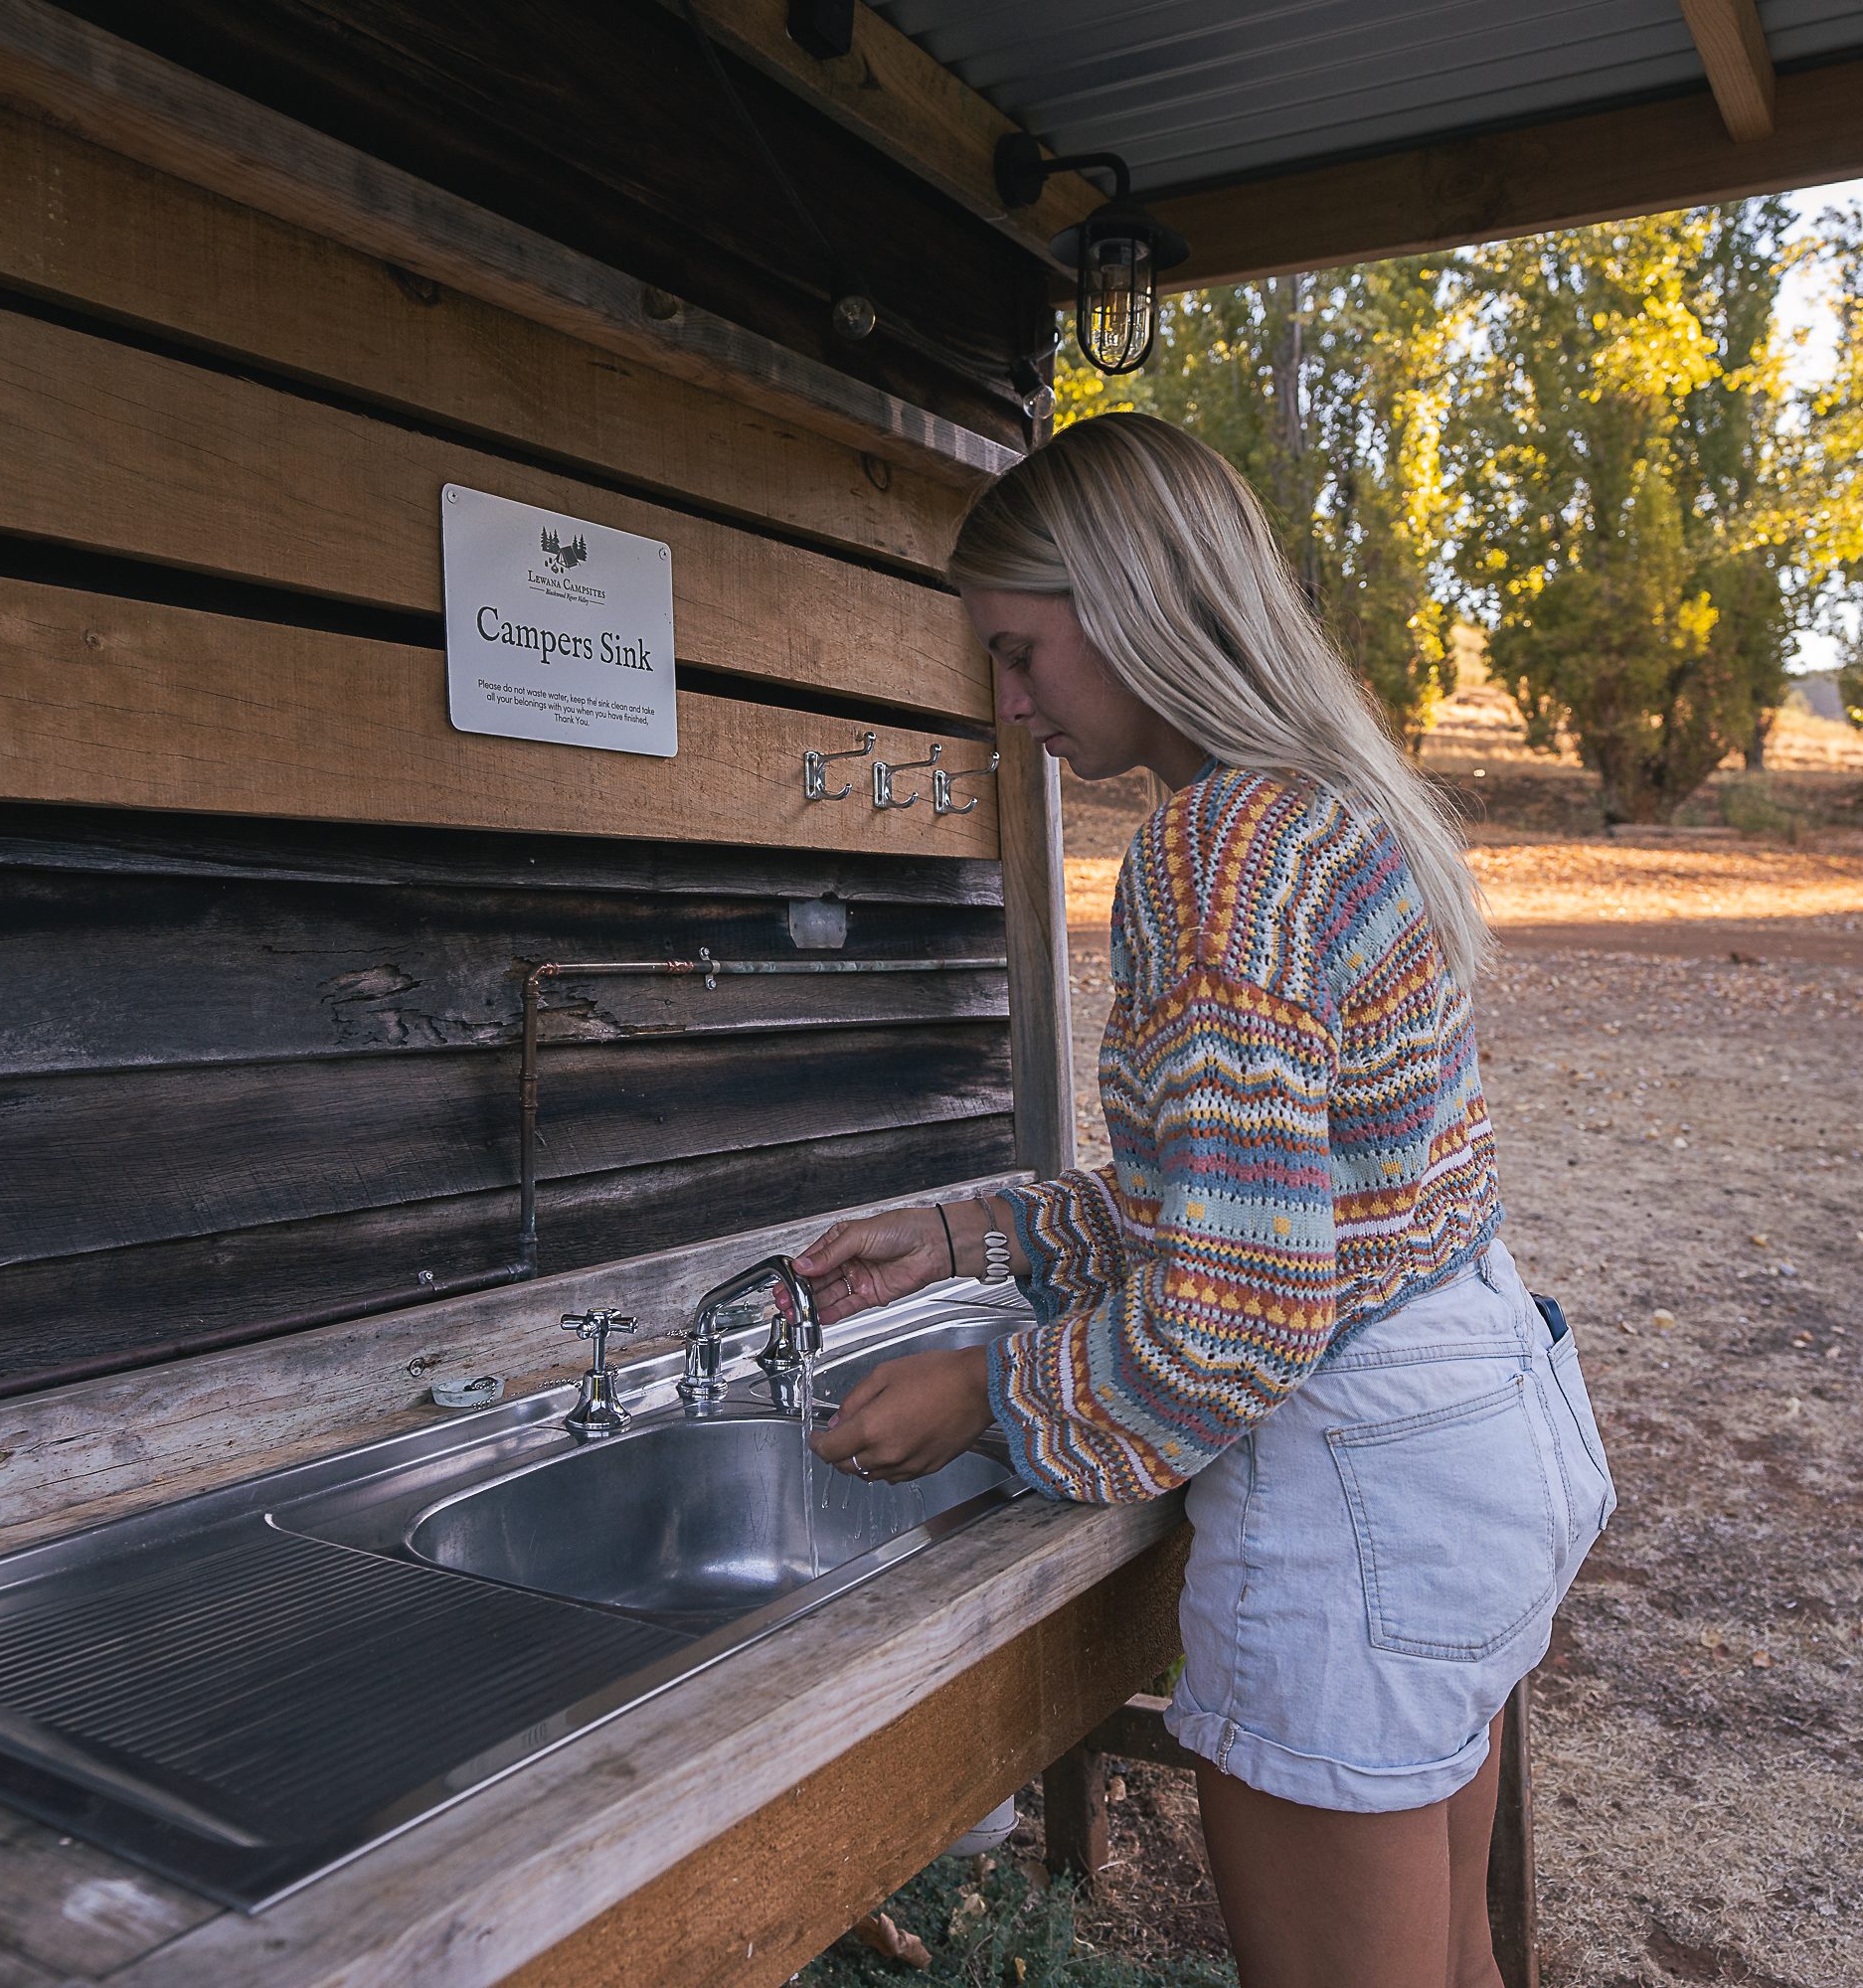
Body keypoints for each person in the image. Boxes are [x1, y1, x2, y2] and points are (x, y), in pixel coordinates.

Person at [793, 413, 1613, 1988]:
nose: (1008, 705)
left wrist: (988, 1392)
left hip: (1366, 1484)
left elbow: (1243, 1305)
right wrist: (975, 1237)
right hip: (1476, 1425)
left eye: (1025, 653)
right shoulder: (1323, 808)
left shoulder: (1214, 854)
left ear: (1139, 603)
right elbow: (1276, 1198)